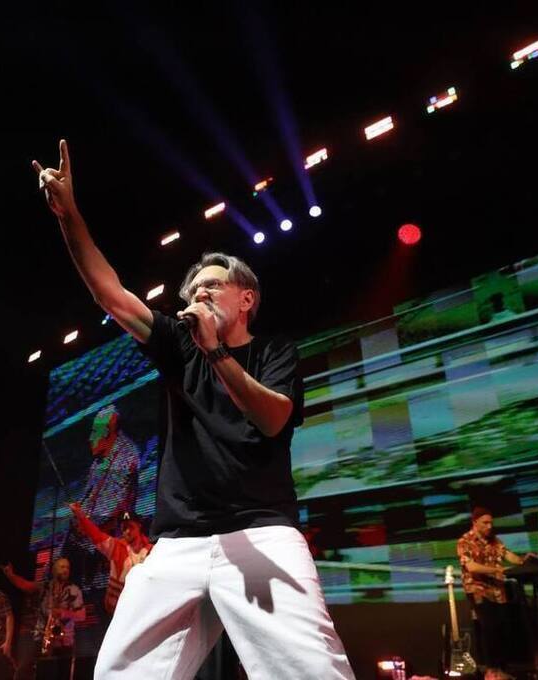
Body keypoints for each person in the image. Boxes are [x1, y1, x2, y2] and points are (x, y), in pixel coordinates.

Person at [32, 140, 354, 679]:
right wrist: (69, 217)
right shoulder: (177, 346)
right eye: (193, 291)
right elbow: (110, 294)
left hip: (260, 533)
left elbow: (273, 418)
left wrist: (217, 353)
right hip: (176, 545)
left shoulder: (274, 352)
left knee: (310, 670)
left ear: (246, 298)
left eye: (212, 286)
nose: (199, 295)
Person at [457, 507, 537, 679]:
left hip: (497, 591)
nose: (489, 526)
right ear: (475, 522)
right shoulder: (465, 541)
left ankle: (501, 668)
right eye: (485, 523)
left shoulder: (494, 541)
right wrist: (497, 570)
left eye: (491, 523)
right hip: (478, 589)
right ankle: (491, 670)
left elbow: (507, 554)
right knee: (490, 627)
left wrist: (523, 561)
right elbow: (471, 567)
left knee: (502, 628)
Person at [67, 502, 151, 614]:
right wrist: (80, 515)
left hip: (143, 607)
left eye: (131, 527)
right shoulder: (116, 547)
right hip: (119, 610)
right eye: (124, 528)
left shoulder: (152, 550)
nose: (127, 531)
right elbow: (95, 535)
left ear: (139, 526)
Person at [79, 404, 141, 524]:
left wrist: (85, 522)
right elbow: (87, 498)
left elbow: (110, 508)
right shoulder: (99, 460)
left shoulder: (127, 455)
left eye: (94, 432)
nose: (90, 438)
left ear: (107, 432)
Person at [0, 561, 42, 680]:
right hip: (28, 632)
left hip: (42, 633)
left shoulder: (52, 588)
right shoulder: (41, 586)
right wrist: (11, 576)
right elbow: (25, 585)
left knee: (39, 668)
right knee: (23, 667)